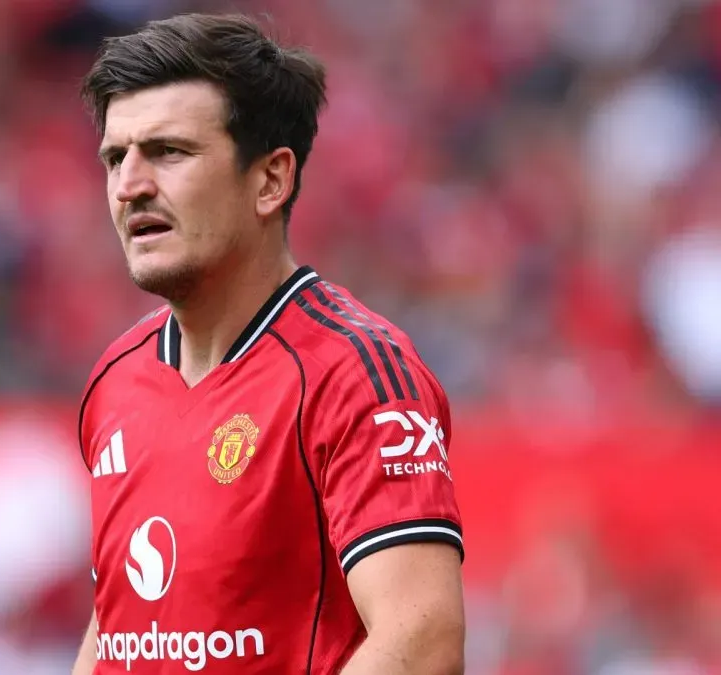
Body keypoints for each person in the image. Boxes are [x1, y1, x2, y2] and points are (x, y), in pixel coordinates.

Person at [71, 12, 465, 675]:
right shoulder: (115, 377)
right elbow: (119, 625)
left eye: (169, 151)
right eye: (116, 157)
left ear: (271, 180)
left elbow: (422, 640)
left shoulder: (356, 374)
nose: (130, 184)